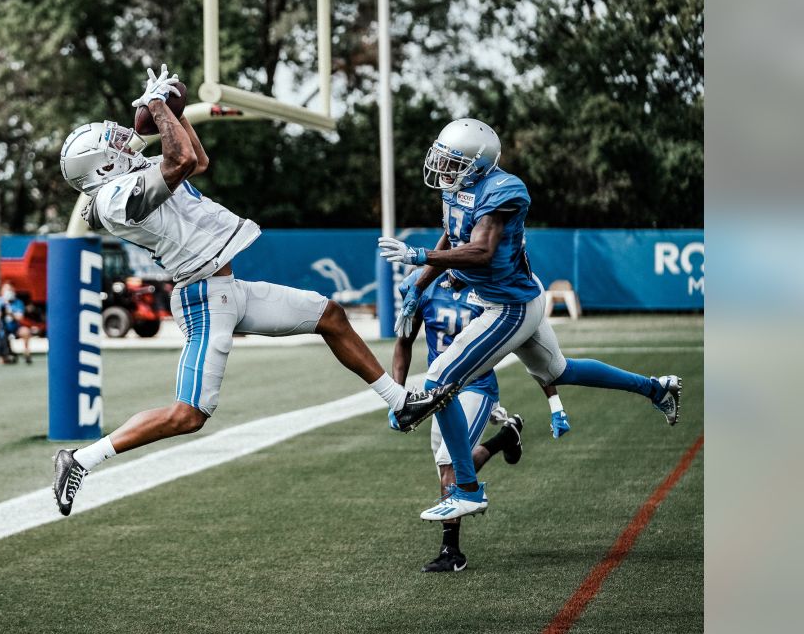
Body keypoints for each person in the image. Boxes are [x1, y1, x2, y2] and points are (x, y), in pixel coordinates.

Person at [50, 65, 456, 516]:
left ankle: (400, 403)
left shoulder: (128, 177)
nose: (122, 137)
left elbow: (195, 160)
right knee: (189, 415)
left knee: (330, 315)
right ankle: (80, 460)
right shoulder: (111, 200)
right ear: (102, 165)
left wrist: (173, 109)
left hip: (228, 289)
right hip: (203, 299)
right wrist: (159, 106)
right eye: (112, 142)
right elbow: (179, 162)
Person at [378, 118, 682, 523]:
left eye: (454, 162)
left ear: (479, 163)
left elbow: (482, 249)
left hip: (508, 306)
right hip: (518, 295)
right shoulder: (461, 189)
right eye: (443, 159)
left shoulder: (504, 190)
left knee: (437, 382)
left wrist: (420, 258)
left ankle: (467, 489)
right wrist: (420, 283)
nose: (443, 169)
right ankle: (655, 389)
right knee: (560, 369)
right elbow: (453, 235)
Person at [391, 269, 564, 572]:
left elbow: (532, 346)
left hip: (476, 386)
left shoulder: (489, 286)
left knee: (449, 465)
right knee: (453, 468)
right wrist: (397, 396)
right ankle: (505, 438)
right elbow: (404, 343)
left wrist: (554, 400)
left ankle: (451, 551)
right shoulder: (426, 285)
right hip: (439, 389)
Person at [0, 283, 36, 365]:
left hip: (15, 328)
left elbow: (20, 317)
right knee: (3, 359)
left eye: (10, 289)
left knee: (25, 331)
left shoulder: (18, 302)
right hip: (3, 329)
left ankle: (26, 353)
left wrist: (10, 313)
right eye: (6, 290)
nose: (8, 292)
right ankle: (4, 355)